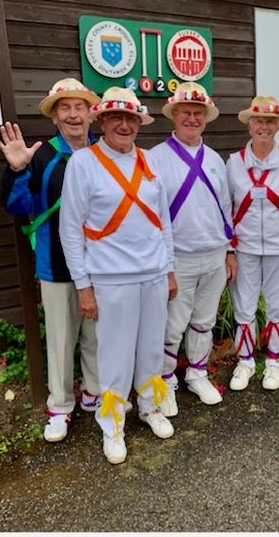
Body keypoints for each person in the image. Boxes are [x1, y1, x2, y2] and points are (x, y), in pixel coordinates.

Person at [59, 87, 177, 464]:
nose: (124, 125)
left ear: (139, 123)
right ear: (102, 122)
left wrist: (169, 268)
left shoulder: (149, 162)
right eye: (115, 118)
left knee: (151, 347)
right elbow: (70, 228)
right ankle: (112, 425)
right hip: (111, 278)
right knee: (114, 354)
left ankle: (150, 406)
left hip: (154, 273)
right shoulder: (84, 163)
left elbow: (164, 222)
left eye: (131, 119)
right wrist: (84, 286)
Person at [0, 78, 101, 443]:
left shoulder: (105, 153)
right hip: (56, 266)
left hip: (102, 267)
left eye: (79, 107)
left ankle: (95, 395)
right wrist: (16, 170)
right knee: (60, 339)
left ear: (91, 114)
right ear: (55, 117)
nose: (73, 115)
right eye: (64, 108)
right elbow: (17, 206)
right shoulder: (40, 156)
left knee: (96, 337)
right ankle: (60, 406)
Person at [149, 81, 237, 417]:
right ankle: (166, 382)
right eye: (185, 112)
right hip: (177, 259)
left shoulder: (215, 159)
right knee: (172, 326)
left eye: (198, 113)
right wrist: (164, 263)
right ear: (174, 115)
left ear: (205, 118)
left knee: (204, 320)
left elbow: (226, 208)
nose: (191, 118)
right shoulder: (155, 159)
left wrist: (230, 251)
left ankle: (197, 374)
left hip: (214, 255)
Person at [226, 96, 279, 391]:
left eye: (270, 121)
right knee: (244, 306)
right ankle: (245, 361)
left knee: (277, 306)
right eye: (258, 121)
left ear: (278, 126)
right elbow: (228, 206)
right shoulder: (233, 163)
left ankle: (273, 361)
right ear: (249, 125)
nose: (264, 127)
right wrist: (229, 248)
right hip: (244, 246)